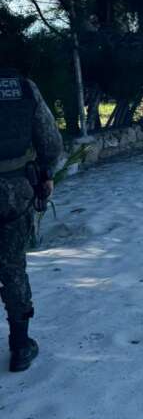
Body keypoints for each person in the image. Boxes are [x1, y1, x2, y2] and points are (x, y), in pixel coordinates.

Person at [0, 69, 64, 372]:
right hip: (13, 193)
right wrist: (46, 173)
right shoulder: (22, 88)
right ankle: (21, 346)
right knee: (13, 268)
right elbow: (50, 142)